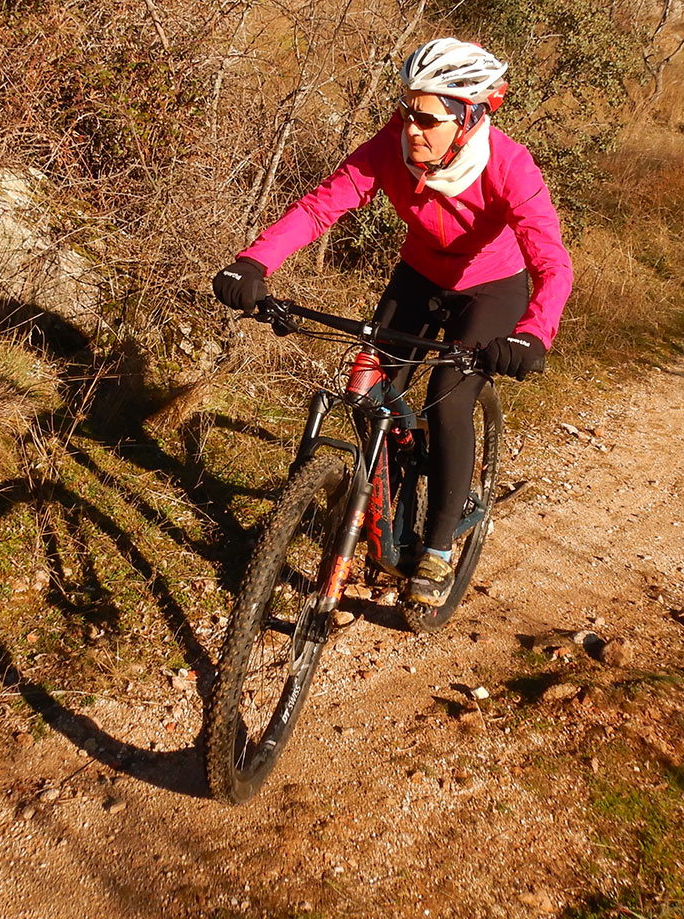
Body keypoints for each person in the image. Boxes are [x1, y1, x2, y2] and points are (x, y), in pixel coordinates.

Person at [211, 38, 574, 606]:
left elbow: (552, 261)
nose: (411, 128)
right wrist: (254, 263)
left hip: (491, 289)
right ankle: (368, 506)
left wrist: (532, 333)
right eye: (405, 110)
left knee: (449, 396)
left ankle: (436, 550)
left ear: (470, 117)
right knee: (369, 387)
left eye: (426, 117)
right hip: (418, 277)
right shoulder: (391, 148)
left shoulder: (509, 166)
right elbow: (319, 207)